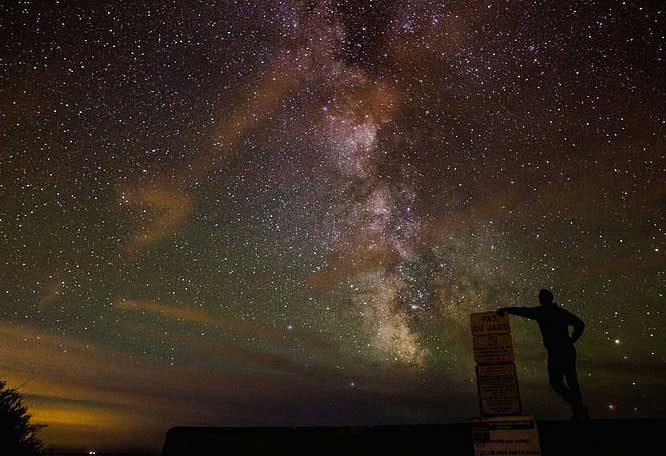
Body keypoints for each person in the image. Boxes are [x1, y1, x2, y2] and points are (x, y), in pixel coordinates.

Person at [498, 289, 590, 421]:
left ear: (546, 299)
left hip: (560, 351)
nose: (539, 299)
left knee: (560, 381)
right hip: (565, 350)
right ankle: (579, 409)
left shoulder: (542, 312)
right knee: (569, 381)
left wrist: (506, 309)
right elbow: (579, 324)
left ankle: (579, 409)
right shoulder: (558, 312)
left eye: (541, 297)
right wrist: (572, 339)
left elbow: (523, 311)